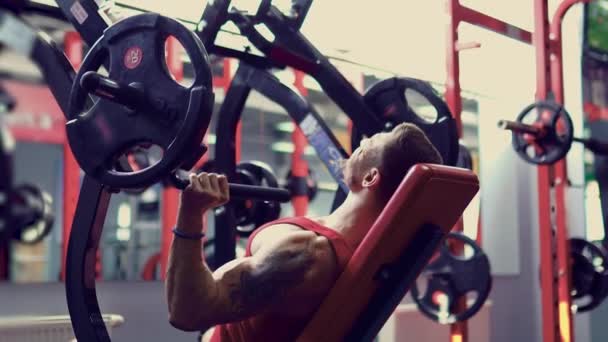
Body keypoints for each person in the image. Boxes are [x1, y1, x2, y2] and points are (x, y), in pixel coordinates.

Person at [165, 122, 443, 341]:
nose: (360, 141)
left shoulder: (308, 254)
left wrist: (191, 212)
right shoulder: (366, 253)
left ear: (370, 177)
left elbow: (189, 311)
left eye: (367, 145)